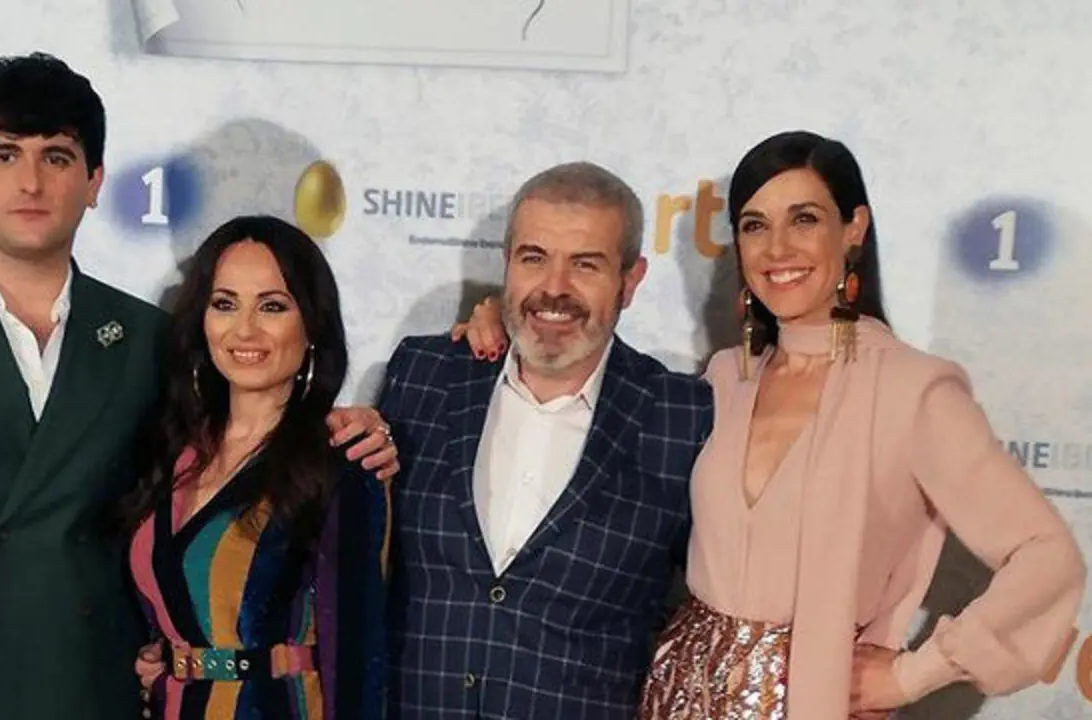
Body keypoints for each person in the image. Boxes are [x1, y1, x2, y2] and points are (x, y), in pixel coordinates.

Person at [0, 53, 396, 720]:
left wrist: (349, 426)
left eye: (57, 157)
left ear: (93, 182)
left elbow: (233, 452)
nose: (31, 181)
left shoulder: (146, 337)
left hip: (93, 682)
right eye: (5, 154)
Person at [457, 131, 1087, 719]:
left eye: (804, 219)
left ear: (854, 228)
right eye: (755, 225)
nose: (778, 248)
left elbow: (1046, 555)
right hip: (673, 696)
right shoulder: (724, 380)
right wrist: (501, 328)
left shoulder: (913, 391)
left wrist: (912, 675)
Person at [380, 162, 714, 718]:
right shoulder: (424, 374)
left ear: (630, 281)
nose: (554, 288)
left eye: (585, 264)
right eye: (534, 258)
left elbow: (718, 597)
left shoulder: (681, 415)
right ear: (507, 264)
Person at [124, 215, 390, 719]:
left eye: (272, 306)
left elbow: (357, 658)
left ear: (311, 325)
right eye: (225, 304)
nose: (244, 329)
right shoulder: (170, 450)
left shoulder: (340, 462)